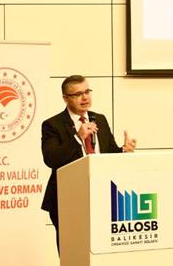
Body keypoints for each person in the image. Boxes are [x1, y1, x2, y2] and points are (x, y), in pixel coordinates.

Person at [41, 75, 137, 249]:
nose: (84, 97)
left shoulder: (99, 119)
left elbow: (109, 153)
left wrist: (123, 150)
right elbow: (51, 159)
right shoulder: (52, 125)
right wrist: (78, 137)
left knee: (99, 248)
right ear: (65, 98)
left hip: (101, 196)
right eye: (78, 94)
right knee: (72, 250)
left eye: (87, 92)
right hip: (67, 199)